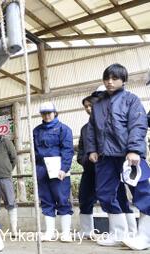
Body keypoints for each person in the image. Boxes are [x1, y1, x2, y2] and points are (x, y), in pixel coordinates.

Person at [87, 63, 150, 250]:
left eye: (114, 78)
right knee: (105, 193)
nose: (109, 82)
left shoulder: (132, 100)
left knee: (142, 192)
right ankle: (118, 233)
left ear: (124, 80)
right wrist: (92, 150)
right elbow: (91, 130)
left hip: (128, 155)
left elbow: (138, 125)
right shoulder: (97, 105)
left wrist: (134, 150)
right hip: (105, 156)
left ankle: (145, 236)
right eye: (106, 78)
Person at [77, 95, 136, 239]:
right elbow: (81, 149)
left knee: (119, 196)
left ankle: (129, 231)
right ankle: (86, 230)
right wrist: (85, 159)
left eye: (90, 105)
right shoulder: (85, 129)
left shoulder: (112, 123)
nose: (88, 109)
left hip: (110, 166)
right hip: (90, 169)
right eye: (86, 107)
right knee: (84, 198)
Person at [33, 102, 74, 242]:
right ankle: (49, 232)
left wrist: (64, 168)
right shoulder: (36, 130)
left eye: (49, 113)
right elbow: (34, 152)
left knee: (62, 199)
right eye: (44, 113)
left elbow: (68, 150)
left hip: (58, 169)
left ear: (55, 113)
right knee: (46, 200)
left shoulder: (64, 129)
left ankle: (66, 233)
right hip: (42, 169)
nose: (47, 116)